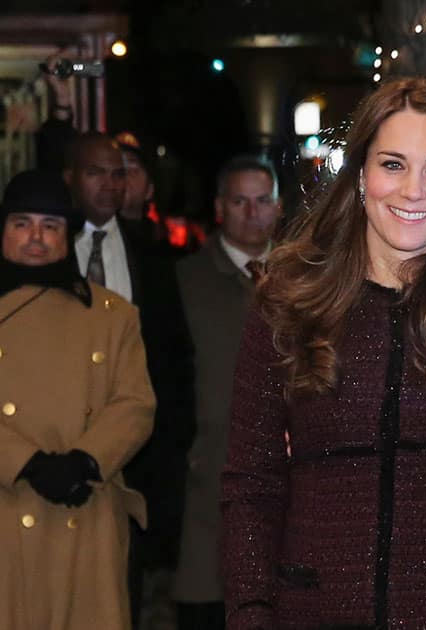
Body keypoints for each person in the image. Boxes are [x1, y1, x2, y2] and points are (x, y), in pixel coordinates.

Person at [221, 76, 426, 630]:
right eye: (393, 164)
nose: (413, 190)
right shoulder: (288, 303)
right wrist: (251, 615)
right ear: (360, 172)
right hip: (311, 612)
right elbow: (251, 485)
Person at [0, 169, 155, 629]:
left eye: (50, 226)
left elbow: (135, 402)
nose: (36, 238)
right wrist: (27, 463)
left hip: (85, 505)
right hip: (8, 506)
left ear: (67, 237)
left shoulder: (113, 315)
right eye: (22, 223)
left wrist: (85, 462)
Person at [63, 132, 195, 628]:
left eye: (119, 173)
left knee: (129, 588)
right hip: (61, 447)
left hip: (141, 457)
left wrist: (177, 442)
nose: (111, 185)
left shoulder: (155, 255)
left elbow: (176, 358)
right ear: (71, 180)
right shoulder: (48, 251)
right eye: (97, 172)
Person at [173, 154, 283, 630]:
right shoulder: (185, 280)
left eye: (262, 201)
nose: (252, 212)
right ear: (220, 207)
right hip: (207, 481)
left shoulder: (310, 277)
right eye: (240, 201)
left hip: (293, 482)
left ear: (278, 208)